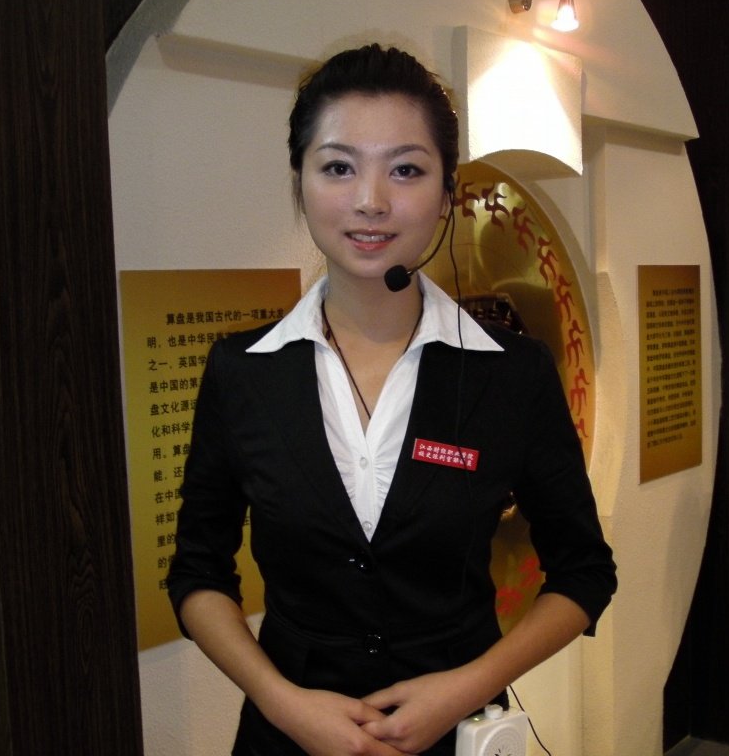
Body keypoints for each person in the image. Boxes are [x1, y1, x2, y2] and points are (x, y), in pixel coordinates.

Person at [167, 43, 616, 756]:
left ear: (446, 195)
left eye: (405, 169)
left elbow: (585, 572)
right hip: (287, 739)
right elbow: (197, 573)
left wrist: (466, 686)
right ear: (300, 181)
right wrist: (283, 703)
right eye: (338, 167)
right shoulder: (243, 373)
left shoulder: (511, 374)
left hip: (457, 734)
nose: (371, 200)